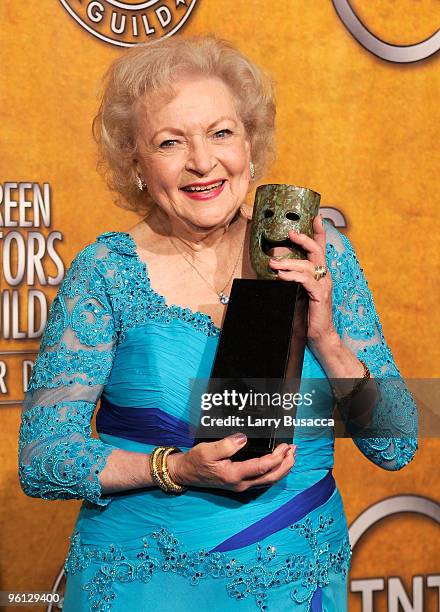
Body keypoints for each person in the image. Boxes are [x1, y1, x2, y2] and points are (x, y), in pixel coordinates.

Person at [18, 35, 418, 612]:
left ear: (251, 145)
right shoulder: (104, 272)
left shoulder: (320, 256)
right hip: (143, 582)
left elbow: (398, 444)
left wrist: (326, 338)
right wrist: (174, 468)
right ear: (136, 162)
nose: (202, 162)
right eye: (170, 142)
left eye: (221, 133)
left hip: (293, 576)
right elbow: (43, 458)